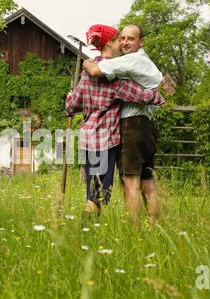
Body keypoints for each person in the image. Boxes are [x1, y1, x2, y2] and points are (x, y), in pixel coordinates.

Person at [65, 24, 164, 226]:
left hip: (88, 140)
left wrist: (69, 98)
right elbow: (145, 97)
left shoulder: (85, 77)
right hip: (104, 142)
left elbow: (71, 107)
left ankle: (87, 232)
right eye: (120, 39)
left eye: (128, 39)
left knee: (94, 193)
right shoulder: (115, 80)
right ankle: (86, 233)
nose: (123, 43)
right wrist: (159, 89)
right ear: (110, 42)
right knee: (96, 196)